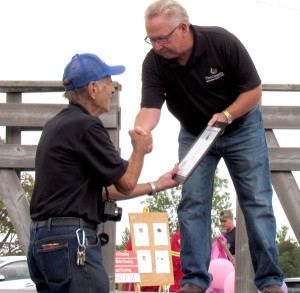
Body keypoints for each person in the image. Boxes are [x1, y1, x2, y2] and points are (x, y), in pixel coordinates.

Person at [134, 1, 284, 292]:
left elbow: (253, 90)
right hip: (195, 135)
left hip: (241, 127)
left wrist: (227, 115)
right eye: (150, 39)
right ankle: (193, 280)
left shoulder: (221, 42)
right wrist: (141, 129)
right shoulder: (154, 62)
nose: (156, 46)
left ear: (182, 28)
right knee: (192, 203)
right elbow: (150, 108)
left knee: (256, 202)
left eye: (161, 38)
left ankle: (270, 281)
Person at [27, 53, 179, 293]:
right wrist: (139, 149)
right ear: (93, 89)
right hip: (72, 241)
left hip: (42, 241)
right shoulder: (86, 125)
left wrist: (156, 185)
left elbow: (105, 191)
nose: (113, 91)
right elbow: (127, 182)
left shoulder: (55, 125)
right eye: (109, 83)